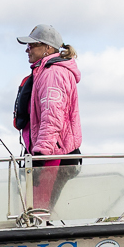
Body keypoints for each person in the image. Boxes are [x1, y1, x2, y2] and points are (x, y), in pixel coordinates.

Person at [12, 25, 80, 217]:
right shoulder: (46, 71)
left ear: (48, 48)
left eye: (32, 45)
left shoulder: (52, 74)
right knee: (38, 209)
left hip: (51, 155)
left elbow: (52, 116)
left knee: (37, 212)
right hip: (51, 153)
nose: (27, 49)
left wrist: (40, 157)